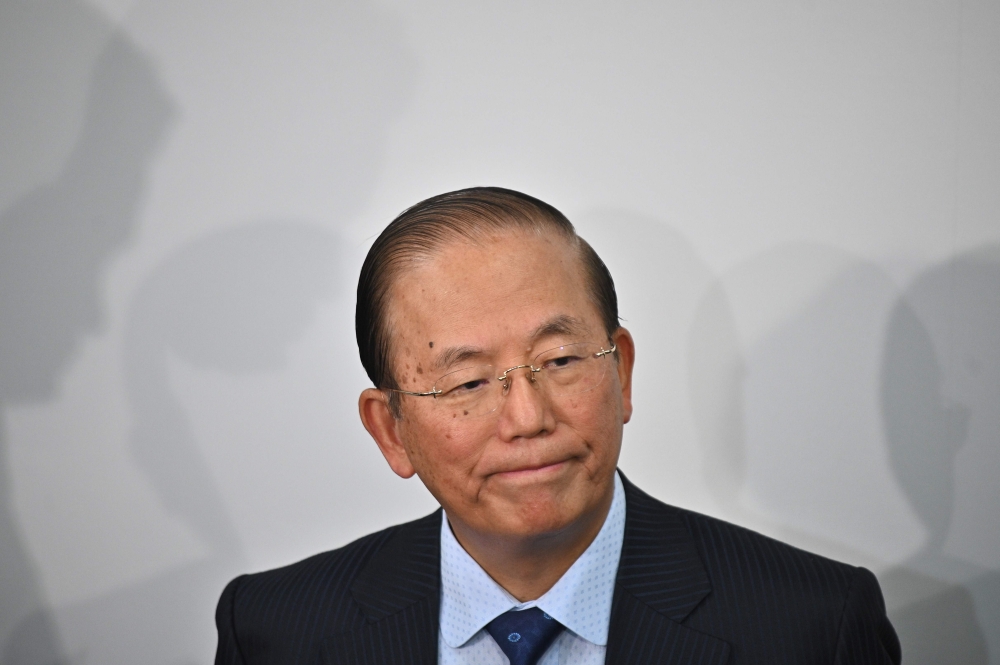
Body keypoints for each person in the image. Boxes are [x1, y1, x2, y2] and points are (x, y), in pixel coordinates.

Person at [214, 187, 901, 664]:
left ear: (621, 372)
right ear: (391, 428)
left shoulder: (812, 625)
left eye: (561, 359)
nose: (527, 417)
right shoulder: (277, 629)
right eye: (467, 382)